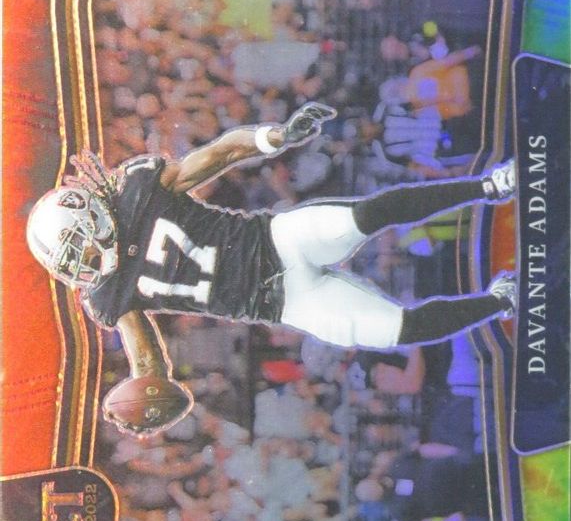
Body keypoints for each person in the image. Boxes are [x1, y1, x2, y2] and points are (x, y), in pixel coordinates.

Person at [27, 102, 516, 434]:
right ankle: (500, 300)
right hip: (283, 304)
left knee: (369, 214)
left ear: (88, 216)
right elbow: (148, 363)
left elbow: (219, 153)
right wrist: (144, 401)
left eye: (79, 248)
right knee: (398, 329)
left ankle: (489, 187)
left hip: (277, 240)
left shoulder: (139, 189)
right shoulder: (108, 295)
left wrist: (275, 136)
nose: (87, 263)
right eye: (74, 263)